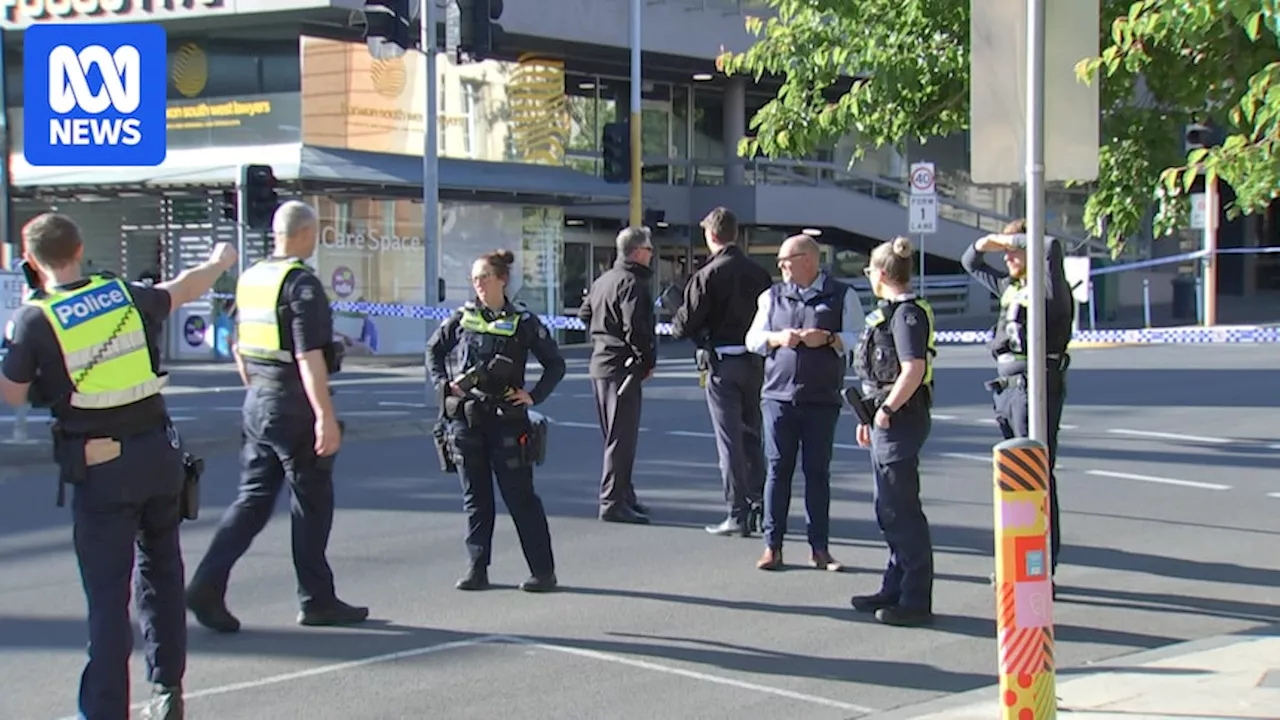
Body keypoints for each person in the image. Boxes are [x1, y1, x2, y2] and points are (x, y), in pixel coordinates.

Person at [0, 212, 237, 719]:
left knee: (108, 599)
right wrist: (219, 262)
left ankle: (107, 710)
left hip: (101, 465)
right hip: (159, 456)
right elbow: (182, 289)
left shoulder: (36, 319)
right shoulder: (121, 292)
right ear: (80, 248)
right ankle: (168, 693)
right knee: (162, 577)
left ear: (33, 263)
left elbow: (12, 394)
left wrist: (21, 330)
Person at [186, 201, 369, 632]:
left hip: (259, 401)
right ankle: (316, 599)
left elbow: (237, 344)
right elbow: (309, 355)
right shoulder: (300, 284)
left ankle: (207, 584)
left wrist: (256, 389)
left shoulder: (252, 279)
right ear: (307, 234)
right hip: (294, 404)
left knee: (251, 500)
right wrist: (324, 415)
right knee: (311, 501)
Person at [427, 249, 566, 592]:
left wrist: (533, 395)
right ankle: (477, 569)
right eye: (474, 278)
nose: (478, 284)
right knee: (476, 498)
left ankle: (543, 572)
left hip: (507, 421)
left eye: (484, 277)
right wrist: (444, 388)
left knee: (520, 497)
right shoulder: (463, 317)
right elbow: (434, 351)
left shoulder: (523, 321)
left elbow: (555, 364)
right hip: (468, 420)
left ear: (502, 279)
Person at [961, 218, 1074, 587]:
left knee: (1036, 475)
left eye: (1016, 249)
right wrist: (988, 244)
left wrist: (1015, 238)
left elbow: (1052, 245)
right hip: (1006, 388)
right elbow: (970, 262)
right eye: (1005, 251)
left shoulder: (1048, 288)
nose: (1009, 256)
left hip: (1035, 385)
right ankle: (1016, 556)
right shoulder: (1011, 286)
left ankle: (1042, 564)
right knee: (1012, 477)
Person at [745, 234, 862, 572]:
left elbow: (860, 336)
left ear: (808, 259)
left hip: (821, 397)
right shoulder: (773, 296)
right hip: (778, 396)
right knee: (778, 469)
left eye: (787, 260)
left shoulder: (841, 295)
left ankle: (819, 548)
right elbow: (752, 339)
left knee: (817, 473)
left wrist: (828, 338)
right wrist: (777, 338)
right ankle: (772, 546)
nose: (781, 266)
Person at [849, 236, 937, 627]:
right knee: (888, 508)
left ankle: (915, 598)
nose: (868, 277)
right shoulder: (891, 313)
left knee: (901, 510)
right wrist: (870, 416)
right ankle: (894, 585)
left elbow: (912, 369)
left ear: (881, 274)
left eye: (870, 270)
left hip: (900, 418)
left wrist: (885, 410)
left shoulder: (906, 316)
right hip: (885, 417)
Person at [671, 207, 773, 536]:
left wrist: (676, 318)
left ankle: (737, 511)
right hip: (755, 361)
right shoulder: (759, 273)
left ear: (711, 235)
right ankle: (760, 503)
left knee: (728, 440)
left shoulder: (707, 275)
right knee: (752, 433)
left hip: (721, 362)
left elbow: (685, 324)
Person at [578, 226, 657, 524]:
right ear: (638, 252)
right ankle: (612, 501)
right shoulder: (632, 283)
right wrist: (645, 361)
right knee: (621, 439)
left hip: (601, 364)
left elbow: (584, 314)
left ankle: (624, 495)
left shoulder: (603, 280)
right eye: (649, 250)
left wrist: (603, 331)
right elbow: (635, 328)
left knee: (614, 435)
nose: (651, 255)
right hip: (622, 368)